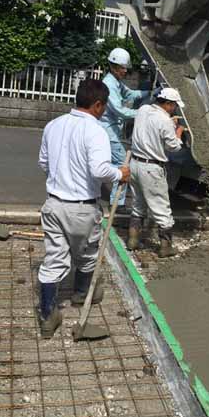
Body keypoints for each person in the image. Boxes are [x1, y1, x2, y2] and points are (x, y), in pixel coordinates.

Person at [38, 78, 130, 339]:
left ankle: (47, 315)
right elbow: (99, 170)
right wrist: (120, 173)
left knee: (54, 259)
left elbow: (43, 162)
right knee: (88, 254)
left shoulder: (53, 125)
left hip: (54, 204)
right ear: (98, 105)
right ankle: (80, 294)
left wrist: (63, 175)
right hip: (81, 208)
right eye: (104, 106)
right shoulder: (96, 131)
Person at [127, 87, 185, 257]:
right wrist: (178, 132)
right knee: (162, 209)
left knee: (138, 205)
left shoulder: (143, 109)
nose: (174, 108)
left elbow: (151, 128)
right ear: (167, 104)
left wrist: (169, 123)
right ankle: (165, 247)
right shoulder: (165, 120)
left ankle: (132, 240)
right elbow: (173, 146)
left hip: (135, 163)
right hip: (151, 169)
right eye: (174, 105)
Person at [99, 48, 151, 206]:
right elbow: (120, 111)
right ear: (113, 66)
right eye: (122, 68)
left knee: (103, 164)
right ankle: (118, 204)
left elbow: (131, 95)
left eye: (126, 68)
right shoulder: (109, 84)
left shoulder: (116, 82)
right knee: (123, 165)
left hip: (112, 129)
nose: (125, 71)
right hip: (108, 130)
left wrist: (151, 92)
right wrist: (143, 112)